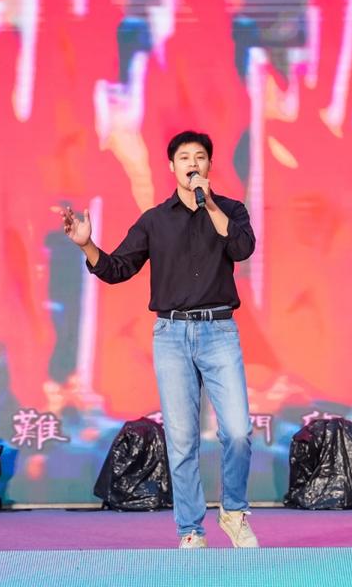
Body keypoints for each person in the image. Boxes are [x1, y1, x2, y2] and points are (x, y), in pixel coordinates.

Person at [60, 130, 259, 548]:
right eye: (184, 157)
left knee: (239, 431)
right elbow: (117, 268)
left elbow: (242, 249)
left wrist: (210, 205)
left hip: (219, 331)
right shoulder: (155, 220)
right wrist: (87, 245)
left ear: (209, 165)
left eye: (200, 157)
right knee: (182, 440)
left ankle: (234, 512)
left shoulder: (231, 210)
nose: (193, 164)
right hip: (172, 335)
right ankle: (191, 530)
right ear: (171, 167)